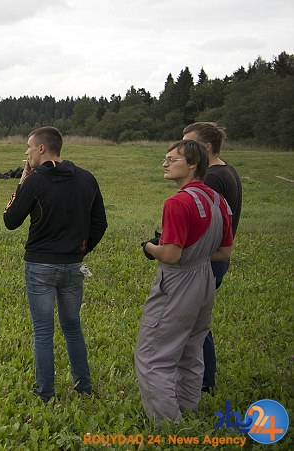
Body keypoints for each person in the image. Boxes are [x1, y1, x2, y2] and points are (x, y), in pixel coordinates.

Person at [3, 126, 108, 402]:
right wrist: (81, 250)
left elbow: (10, 221)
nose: (26, 152)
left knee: (43, 331)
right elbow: (100, 223)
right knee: (73, 326)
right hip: (74, 265)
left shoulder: (35, 182)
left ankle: (45, 393)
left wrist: (21, 183)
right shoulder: (87, 179)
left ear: (41, 149)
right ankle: (83, 386)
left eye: (28, 146)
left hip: (39, 265)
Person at [137, 140, 233, 422]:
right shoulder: (218, 201)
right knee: (191, 349)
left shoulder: (178, 202)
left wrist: (149, 247)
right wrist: (198, 254)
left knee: (153, 355)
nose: (165, 164)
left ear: (193, 165)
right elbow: (225, 252)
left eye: (172, 159)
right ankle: (188, 408)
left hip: (178, 282)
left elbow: (170, 254)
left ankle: (167, 424)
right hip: (204, 280)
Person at [182, 122, 241, 393]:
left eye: (189, 144)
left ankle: (203, 383)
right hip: (216, 257)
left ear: (206, 147)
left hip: (207, 260)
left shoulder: (213, 178)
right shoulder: (228, 170)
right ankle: (201, 380)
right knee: (198, 322)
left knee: (196, 325)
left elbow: (205, 220)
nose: (184, 149)